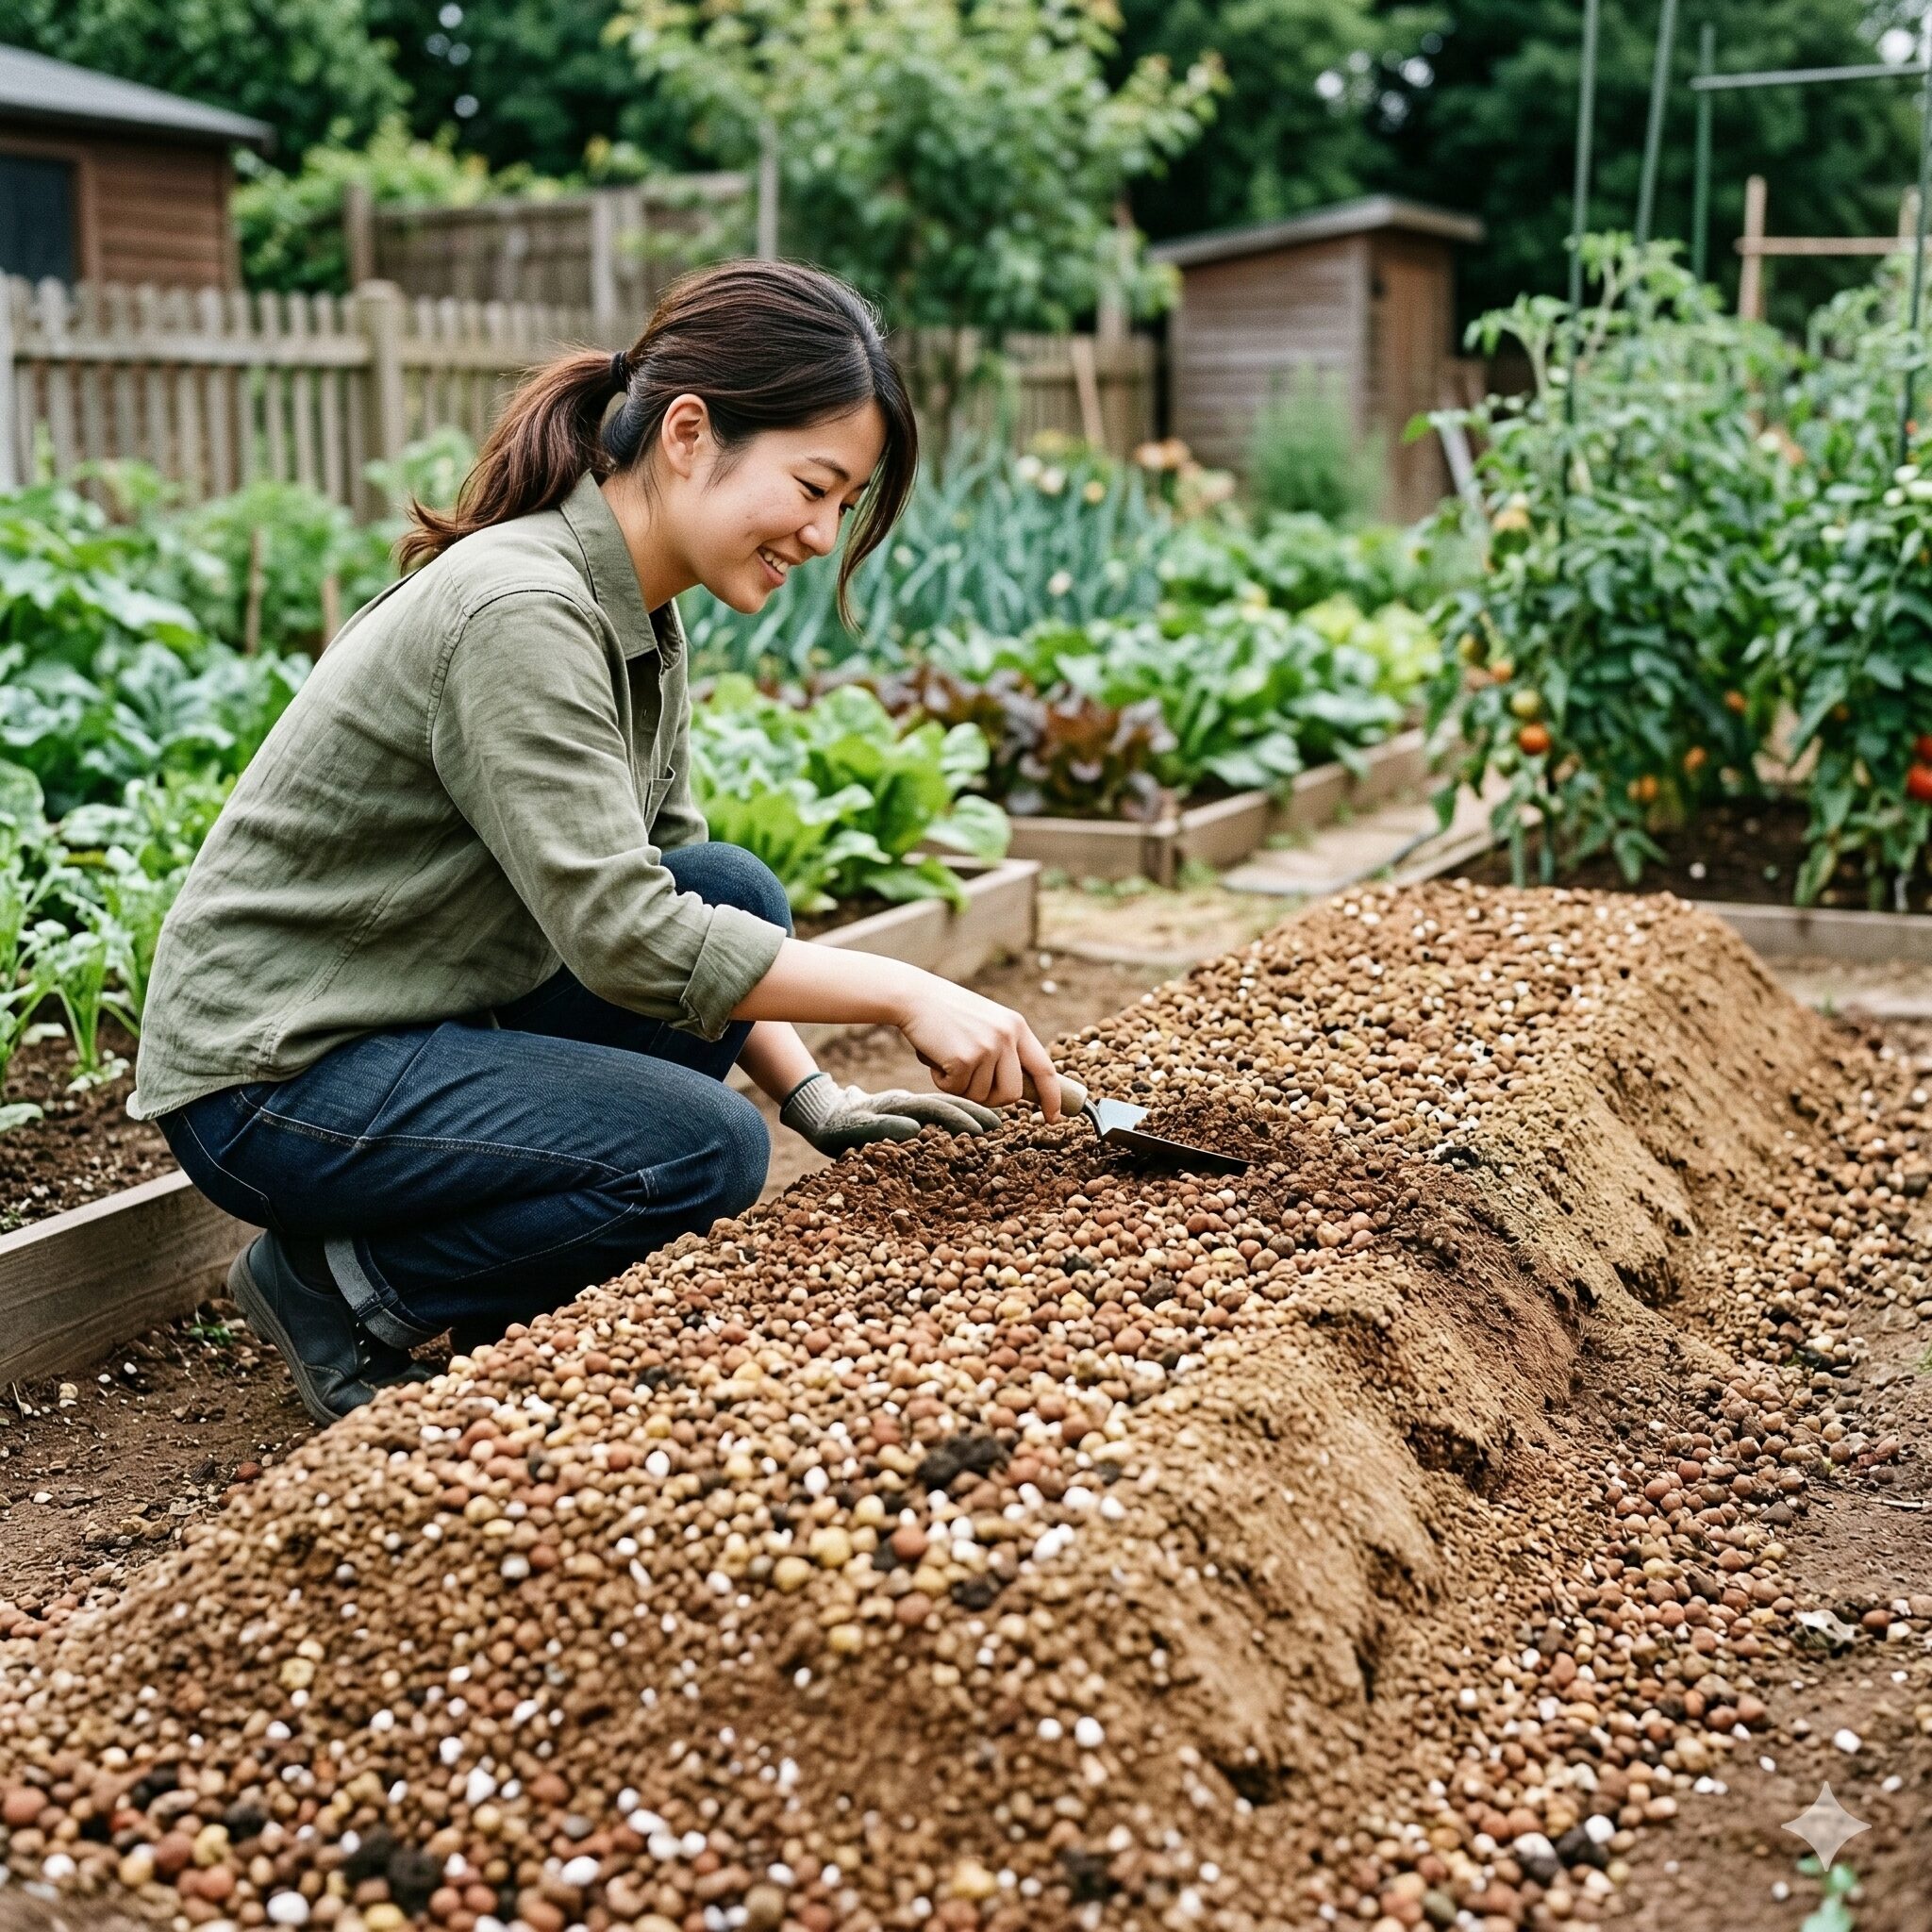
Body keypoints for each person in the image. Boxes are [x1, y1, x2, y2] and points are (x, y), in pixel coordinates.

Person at [130, 258, 1062, 1426]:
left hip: (405, 1020)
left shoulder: (638, 612)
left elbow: (677, 895)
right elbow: (627, 942)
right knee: (703, 1152)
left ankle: (492, 1285)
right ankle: (337, 1284)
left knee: (729, 883)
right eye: (813, 486)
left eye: (843, 504)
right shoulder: (523, 608)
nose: (822, 534)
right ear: (688, 433)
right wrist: (902, 991)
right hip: (274, 1077)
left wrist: (817, 1098)